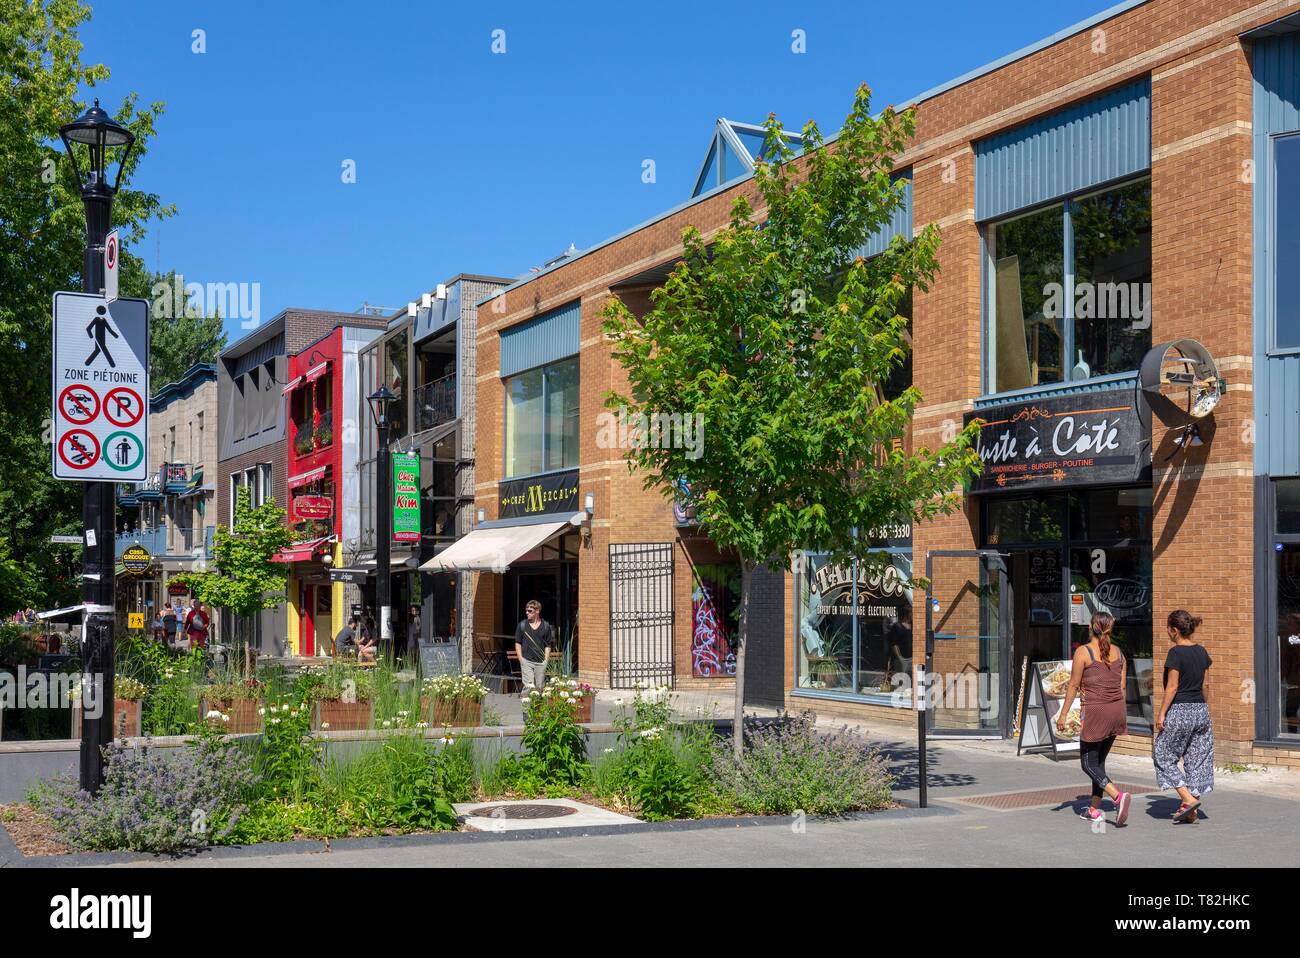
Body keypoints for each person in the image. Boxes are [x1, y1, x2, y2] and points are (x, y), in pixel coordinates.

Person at [1057, 611, 1132, 827]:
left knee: (1087, 764)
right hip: (1116, 710)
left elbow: (1073, 685)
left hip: (1096, 711)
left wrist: (1063, 715)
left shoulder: (1084, 651)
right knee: (1098, 763)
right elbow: (1122, 687)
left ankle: (1118, 797)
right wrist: (1118, 712)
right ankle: (1093, 809)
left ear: (1091, 627)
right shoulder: (1120, 652)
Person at [1153, 609, 1214, 823]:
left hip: (1179, 709)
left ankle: (1187, 798)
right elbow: (1206, 684)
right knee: (1198, 759)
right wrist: (1204, 708)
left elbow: (1172, 687)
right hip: (1201, 710)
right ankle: (1192, 811)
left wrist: (1161, 714)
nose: (1168, 634)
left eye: (1168, 630)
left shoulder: (1176, 653)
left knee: (1162, 754)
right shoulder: (1202, 652)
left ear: (1175, 630)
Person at [514, 599, 554, 691]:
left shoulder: (545, 626)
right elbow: (518, 642)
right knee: (529, 686)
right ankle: (527, 704)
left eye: (530, 611)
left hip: (540, 662)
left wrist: (546, 660)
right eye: (526, 610)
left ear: (537, 611)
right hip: (526, 661)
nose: (527, 612)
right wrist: (521, 658)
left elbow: (548, 645)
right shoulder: (522, 625)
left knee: (539, 687)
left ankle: (538, 705)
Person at [886, 603, 913, 680]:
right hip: (902, 659)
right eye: (912, 613)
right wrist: (900, 658)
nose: (913, 615)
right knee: (902, 680)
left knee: (911, 679)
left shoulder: (913, 625)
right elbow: (894, 644)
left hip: (912, 657)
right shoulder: (897, 627)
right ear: (907, 614)